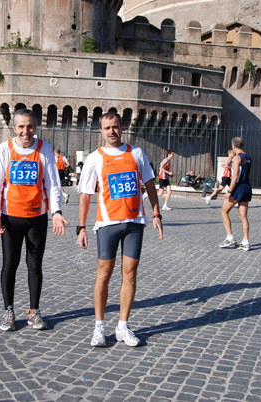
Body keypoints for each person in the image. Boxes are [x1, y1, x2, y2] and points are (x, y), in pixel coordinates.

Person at [77, 112, 163, 348]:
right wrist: (81, 227)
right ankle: (99, 326)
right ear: (101, 131)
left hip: (135, 223)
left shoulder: (136, 153)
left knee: (130, 273)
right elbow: (85, 195)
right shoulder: (95, 158)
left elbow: (149, 184)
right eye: (107, 128)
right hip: (107, 224)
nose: (111, 132)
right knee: (103, 274)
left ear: (122, 127)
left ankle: (123, 326)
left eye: (115, 127)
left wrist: (156, 213)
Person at [0, 109, 69, 333]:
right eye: (21, 126)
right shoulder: (5, 149)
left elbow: (52, 183)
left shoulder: (44, 148)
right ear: (15, 128)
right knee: (9, 264)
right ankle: (8, 310)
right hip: (10, 218)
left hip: (36, 218)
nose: (26, 131)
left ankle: (34, 311)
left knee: (34, 266)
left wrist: (56, 212)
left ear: (35, 127)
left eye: (30, 126)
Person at [219, 137, 252, 251]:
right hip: (247, 186)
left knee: (224, 211)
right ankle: (245, 241)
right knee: (243, 216)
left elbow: (235, 176)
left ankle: (230, 238)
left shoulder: (237, 158)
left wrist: (229, 191)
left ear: (233, 146)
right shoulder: (248, 157)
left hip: (238, 188)